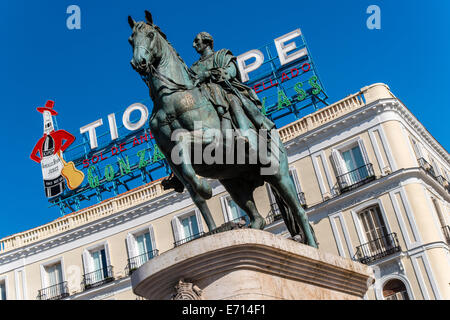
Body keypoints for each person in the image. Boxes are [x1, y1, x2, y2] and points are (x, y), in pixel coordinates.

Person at [190, 32, 275, 148]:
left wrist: (209, 74)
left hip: (225, 90)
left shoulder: (222, 55)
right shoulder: (194, 68)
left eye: (196, 41)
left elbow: (231, 71)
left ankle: (245, 134)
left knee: (233, 100)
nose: (193, 45)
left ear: (206, 42)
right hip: (204, 95)